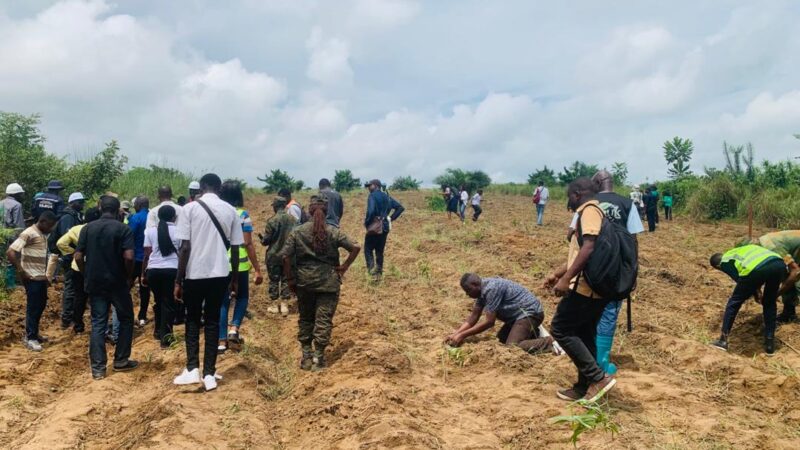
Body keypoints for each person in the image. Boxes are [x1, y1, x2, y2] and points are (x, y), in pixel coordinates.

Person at [545, 177, 615, 402]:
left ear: (576, 194)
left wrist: (566, 280)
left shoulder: (590, 211)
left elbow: (589, 248)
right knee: (584, 335)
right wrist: (559, 273)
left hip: (586, 288)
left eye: (569, 197)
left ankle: (597, 378)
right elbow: (580, 253)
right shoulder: (593, 212)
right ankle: (583, 386)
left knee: (561, 328)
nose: (569, 202)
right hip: (594, 287)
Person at [173, 173, 243, 391]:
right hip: (220, 273)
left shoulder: (189, 209)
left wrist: (178, 279)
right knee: (212, 321)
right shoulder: (230, 210)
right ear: (219, 188)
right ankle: (210, 373)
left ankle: (192, 368)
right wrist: (234, 279)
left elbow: (184, 247)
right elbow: (235, 248)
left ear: (201, 189)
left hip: (195, 273)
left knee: (192, 320)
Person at [280, 195, 360, 370]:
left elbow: (285, 256)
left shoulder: (298, 232)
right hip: (328, 283)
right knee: (323, 320)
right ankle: (319, 357)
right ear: (326, 211)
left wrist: (291, 279)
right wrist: (344, 267)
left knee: (306, 318)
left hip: (304, 282)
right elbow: (356, 247)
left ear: (309, 211)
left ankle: (306, 356)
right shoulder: (333, 231)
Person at [74, 196, 139, 379]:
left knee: (98, 323)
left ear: (100, 207)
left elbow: (78, 257)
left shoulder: (88, 228)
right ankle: (120, 360)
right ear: (119, 209)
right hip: (117, 282)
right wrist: (128, 277)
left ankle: (98, 369)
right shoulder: (123, 229)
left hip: (95, 283)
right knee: (126, 318)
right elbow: (128, 256)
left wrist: (86, 273)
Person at [588, 170, 644, 375]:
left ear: (597, 182)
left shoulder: (589, 202)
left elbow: (572, 235)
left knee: (589, 308)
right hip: (617, 268)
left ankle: (587, 356)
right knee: (610, 312)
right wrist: (633, 271)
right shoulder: (627, 204)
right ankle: (601, 361)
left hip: (591, 266)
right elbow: (634, 240)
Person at [709, 244, 798, 355]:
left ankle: (723, 340)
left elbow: (742, 280)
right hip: (778, 264)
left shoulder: (724, 262)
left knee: (734, 302)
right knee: (769, 303)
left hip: (757, 268)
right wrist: (758, 292)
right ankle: (769, 345)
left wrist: (756, 294)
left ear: (718, 266)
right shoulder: (738, 251)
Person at [446, 274, 556, 354]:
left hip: (530, 313)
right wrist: (456, 334)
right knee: (501, 339)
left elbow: (489, 322)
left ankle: (551, 342)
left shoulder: (491, 289)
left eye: (468, 290)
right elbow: (473, 317)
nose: (467, 294)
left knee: (513, 347)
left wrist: (463, 335)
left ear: (475, 284)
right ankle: (533, 333)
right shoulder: (481, 292)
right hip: (517, 317)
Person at [218, 180, 263, 353]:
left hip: (220, 264)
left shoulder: (218, 213)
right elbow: (248, 243)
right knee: (242, 297)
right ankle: (234, 328)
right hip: (241, 264)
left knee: (222, 303)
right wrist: (257, 268)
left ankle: (221, 341)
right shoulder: (243, 214)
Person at [6, 211, 57, 351]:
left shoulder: (42, 234)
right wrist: (21, 271)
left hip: (40, 277)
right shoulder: (29, 233)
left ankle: (34, 333)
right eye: (50, 225)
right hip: (32, 277)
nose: (51, 229)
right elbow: (11, 251)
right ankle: (30, 337)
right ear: (43, 222)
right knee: (33, 307)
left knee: (40, 305)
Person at [57, 208, 101, 333]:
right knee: (96, 297)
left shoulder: (77, 229)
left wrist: (74, 252)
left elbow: (60, 243)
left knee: (79, 297)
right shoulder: (100, 229)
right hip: (96, 266)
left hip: (77, 266)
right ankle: (97, 325)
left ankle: (78, 325)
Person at [142, 205, 181, 348]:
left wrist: (143, 274)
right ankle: (167, 337)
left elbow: (147, 254)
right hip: (172, 270)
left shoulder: (150, 231)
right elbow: (184, 253)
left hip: (153, 270)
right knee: (169, 303)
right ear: (174, 217)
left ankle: (158, 330)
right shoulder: (179, 231)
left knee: (158, 301)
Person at [47, 192, 85, 329]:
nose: (82, 204)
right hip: (69, 258)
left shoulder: (74, 215)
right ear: (72, 202)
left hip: (72, 257)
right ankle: (66, 318)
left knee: (74, 288)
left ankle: (71, 317)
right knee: (70, 288)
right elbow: (64, 239)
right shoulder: (68, 218)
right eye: (80, 202)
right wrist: (74, 252)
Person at [262, 196, 296, 316]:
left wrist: (262, 240)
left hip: (274, 255)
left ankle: (274, 305)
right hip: (288, 255)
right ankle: (285, 306)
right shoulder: (293, 219)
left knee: (274, 280)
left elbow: (267, 240)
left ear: (275, 206)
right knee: (286, 279)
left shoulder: (272, 221)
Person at [363, 179, 404, 279]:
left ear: (376, 186)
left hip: (375, 226)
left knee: (368, 249)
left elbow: (371, 211)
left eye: (370, 186)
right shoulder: (387, 196)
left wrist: (367, 222)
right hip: (385, 226)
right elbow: (400, 208)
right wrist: (390, 218)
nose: (368, 188)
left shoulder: (372, 196)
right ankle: (379, 274)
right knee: (379, 251)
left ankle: (372, 273)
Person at [758, 231, 800, 323]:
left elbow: (795, 271)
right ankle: (789, 313)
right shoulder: (762, 241)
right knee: (786, 276)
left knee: (796, 282)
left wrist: (776, 294)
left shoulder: (773, 248)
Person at [127, 196, 151, 326]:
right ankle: (143, 316)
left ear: (139, 205)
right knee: (145, 289)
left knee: (127, 285)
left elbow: (129, 235)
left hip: (135, 258)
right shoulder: (154, 216)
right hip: (148, 259)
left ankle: (125, 315)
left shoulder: (135, 218)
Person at [2, 183, 26, 289]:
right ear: (16, 194)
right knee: (11, 259)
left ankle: (3, 282)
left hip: (1, 235)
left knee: (2, 259)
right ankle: (10, 285)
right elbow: (18, 225)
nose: (22, 196)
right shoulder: (17, 205)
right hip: (11, 237)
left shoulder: (1, 203)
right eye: (21, 194)